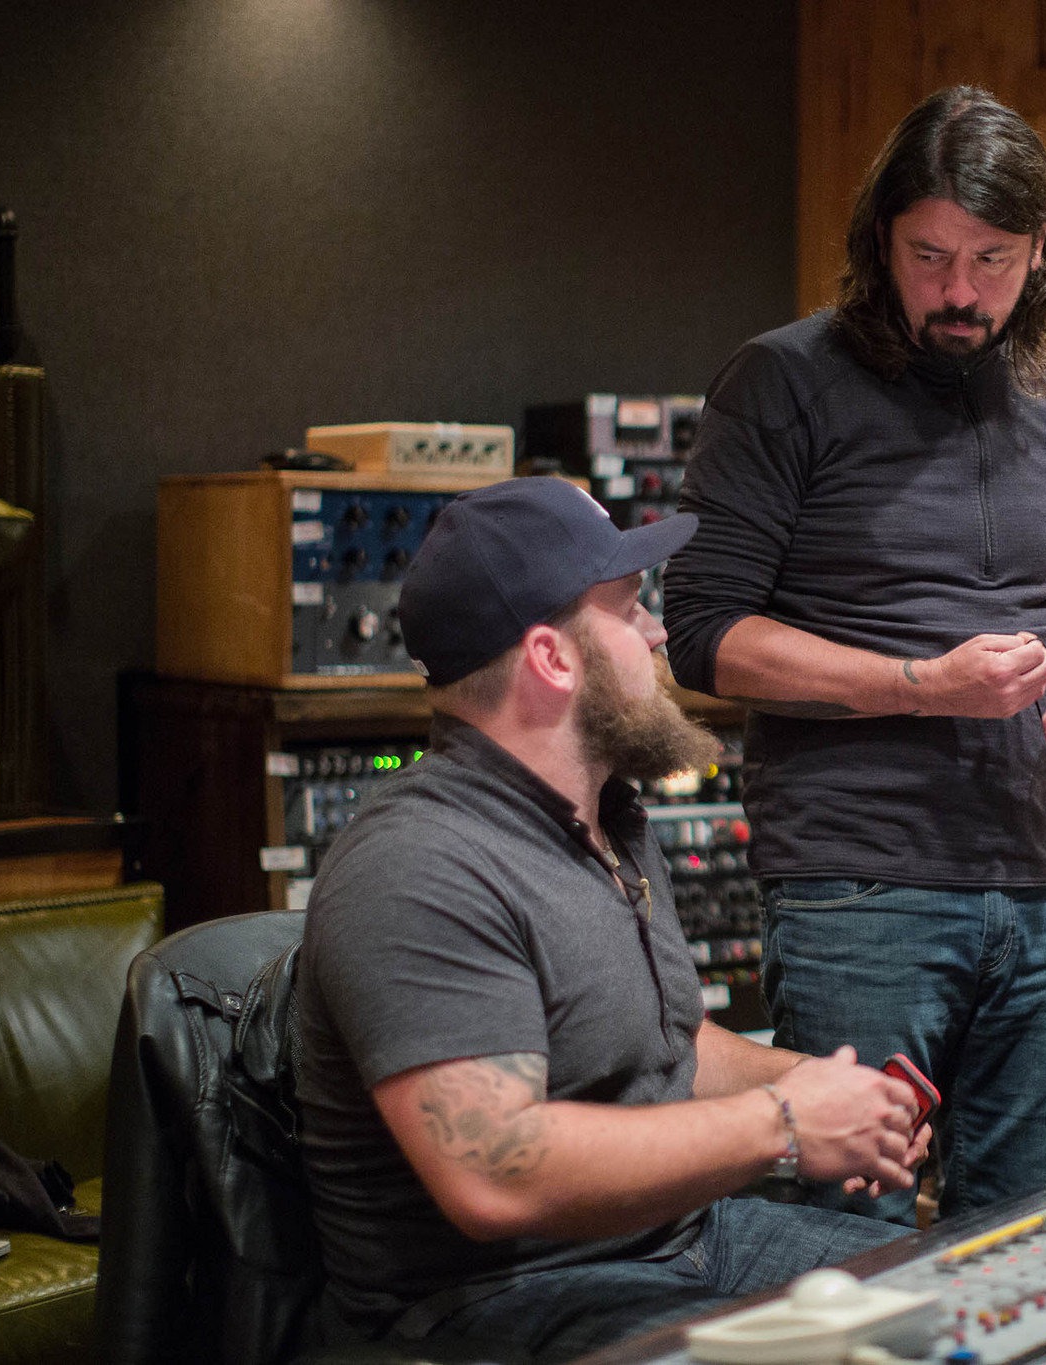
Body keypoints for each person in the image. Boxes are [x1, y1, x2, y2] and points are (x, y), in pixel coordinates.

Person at [292, 478, 931, 1363]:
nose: (659, 632)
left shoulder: (605, 819)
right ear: (554, 659)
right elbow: (492, 1169)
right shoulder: (419, 862)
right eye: (632, 611)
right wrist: (783, 1124)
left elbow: (665, 1045)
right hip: (492, 1306)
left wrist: (834, 1090)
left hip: (679, 1243)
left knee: (972, 1291)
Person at [661, 84, 1046, 1226]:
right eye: (928, 255)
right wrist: (920, 686)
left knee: (1031, 1239)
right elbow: (703, 636)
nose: (960, 291)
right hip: (857, 883)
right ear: (880, 242)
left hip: (1033, 883)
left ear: (1039, 256)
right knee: (846, 1246)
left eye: (992, 257)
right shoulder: (781, 381)